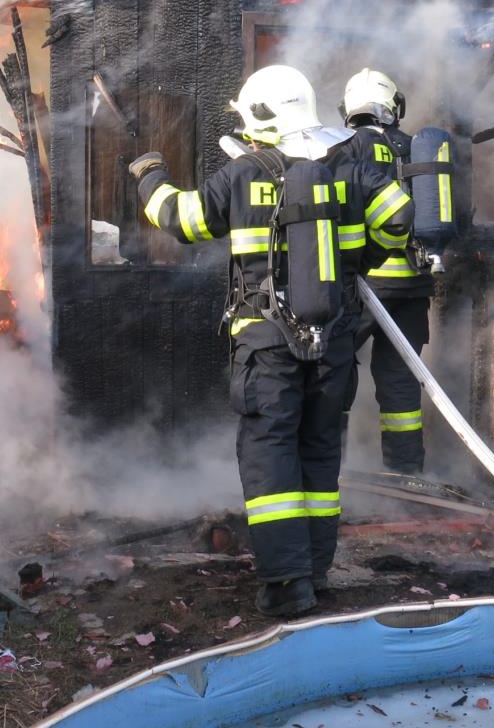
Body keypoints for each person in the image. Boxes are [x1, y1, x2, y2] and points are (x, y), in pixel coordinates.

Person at [131, 64, 411, 616]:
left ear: (260, 117)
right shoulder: (351, 166)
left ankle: (286, 585)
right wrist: (357, 263)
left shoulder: (242, 174)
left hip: (265, 342)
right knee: (320, 450)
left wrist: (147, 174)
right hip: (334, 336)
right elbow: (398, 221)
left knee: (269, 454)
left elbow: (181, 219)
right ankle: (316, 572)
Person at [340, 67, 433, 475]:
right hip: (411, 288)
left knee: (333, 379)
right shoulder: (421, 149)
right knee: (401, 387)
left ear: (348, 108)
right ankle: (405, 478)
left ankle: (330, 472)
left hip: (360, 286)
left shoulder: (342, 149)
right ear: (395, 107)